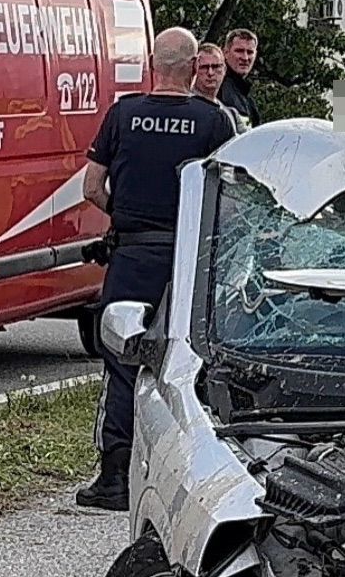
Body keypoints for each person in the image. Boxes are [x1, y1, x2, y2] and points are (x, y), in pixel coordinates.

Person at [76, 26, 236, 512]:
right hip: (189, 261)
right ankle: (195, 481)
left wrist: (123, 213)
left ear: (152, 64)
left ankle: (114, 477)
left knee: (122, 361)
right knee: (192, 363)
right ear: (192, 68)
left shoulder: (123, 115)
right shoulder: (215, 120)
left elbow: (91, 187)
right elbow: (229, 196)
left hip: (131, 255)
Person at [193, 41, 244, 132]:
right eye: (204, 67)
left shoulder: (232, 115)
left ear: (224, 70)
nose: (210, 73)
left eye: (216, 67)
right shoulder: (183, 106)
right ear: (194, 70)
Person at [220, 28, 259, 125]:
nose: (245, 58)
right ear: (225, 53)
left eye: (250, 52)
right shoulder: (218, 86)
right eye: (239, 51)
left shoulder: (245, 94)